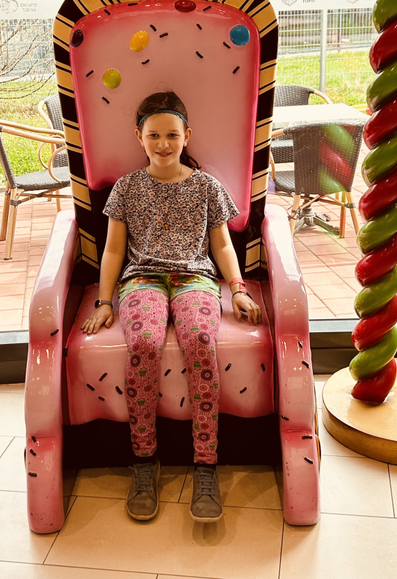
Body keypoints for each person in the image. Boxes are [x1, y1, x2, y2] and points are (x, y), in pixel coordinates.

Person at [82, 90, 262, 523]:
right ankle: (144, 460)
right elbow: (113, 250)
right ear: (139, 137)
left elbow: (222, 245)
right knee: (143, 344)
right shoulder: (127, 187)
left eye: (172, 135)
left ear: (187, 136)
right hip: (142, 278)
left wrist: (237, 288)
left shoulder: (206, 186)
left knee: (200, 341)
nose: (163, 143)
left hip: (194, 278)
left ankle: (206, 464)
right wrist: (105, 301)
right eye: (154, 135)